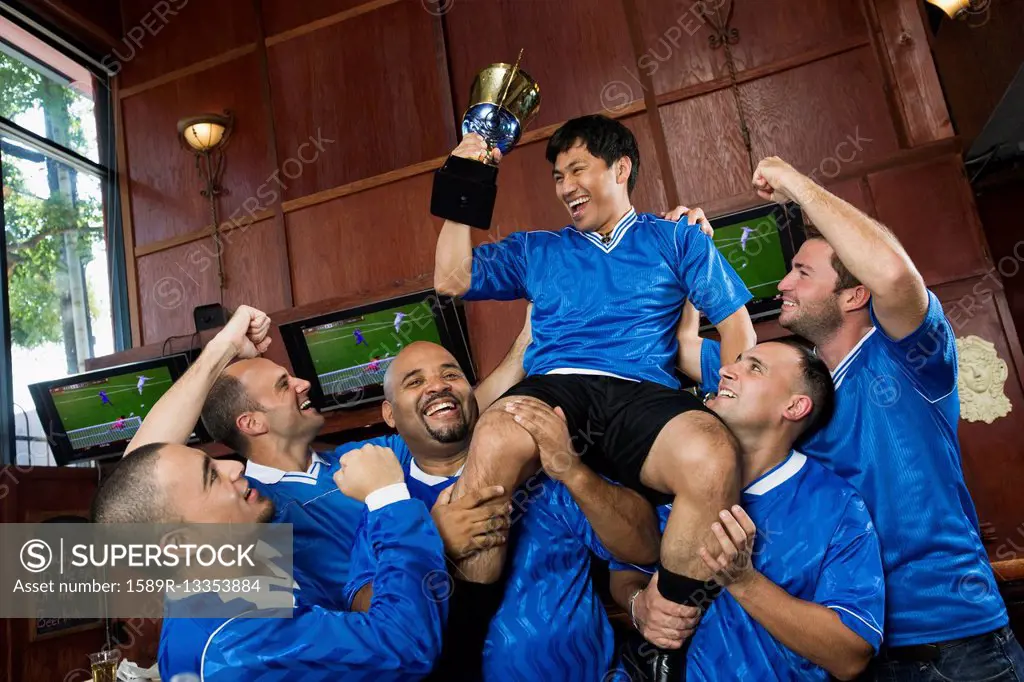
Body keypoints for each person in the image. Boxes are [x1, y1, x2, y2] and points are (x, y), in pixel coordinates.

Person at [434, 114, 756, 669]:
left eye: (576, 170)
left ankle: (663, 640)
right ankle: (461, 649)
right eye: (558, 177)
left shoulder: (676, 239)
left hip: (641, 393)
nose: (565, 187)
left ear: (620, 167)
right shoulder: (539, 249)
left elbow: (737, 329)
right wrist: (465, 179)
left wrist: (723, 408)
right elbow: (451, 279)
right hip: (556, 386)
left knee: (712, 455)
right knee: (492, 444)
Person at [697, 156, 1024, 679]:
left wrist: (794, 183)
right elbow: (684, 352)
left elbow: (893, 274)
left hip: (956, 647)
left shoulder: (907, 357)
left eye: (802, 272)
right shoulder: (781, 380)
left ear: (853, 293)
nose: (783, 284)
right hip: (845, 648)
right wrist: (686, 253)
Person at [96, 306, 448, 681]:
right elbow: (403, 645)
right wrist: (393, 502)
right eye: (211, 475)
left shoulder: (227, 570)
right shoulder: (242, 634)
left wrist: (225, 347)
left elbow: (140, 489)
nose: (233, 467)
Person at [342, 340, 660, 681]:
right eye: (414, 381)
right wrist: (434, 540)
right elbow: (370, 613)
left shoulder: (545, 466)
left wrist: (572, 471)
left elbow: (642, 547)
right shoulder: (385, 502)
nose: (438, 385)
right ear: (389, 414)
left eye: (451, 374)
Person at [198, 303, 532, 608]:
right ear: (252, 423)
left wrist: (525, 343)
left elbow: (448, 417)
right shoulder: (252, 507)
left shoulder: (366, 457)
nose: (304, 384)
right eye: (284, 385)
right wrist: (434, 537)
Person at [611, 335, 885, 680]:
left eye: (754, 368)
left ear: (795, 407)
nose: (725, 370)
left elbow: (850, 656)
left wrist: (743, 580)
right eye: (735, 361)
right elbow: (625, 572)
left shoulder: (838, 507)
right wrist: (638, 606)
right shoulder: (666, 475)